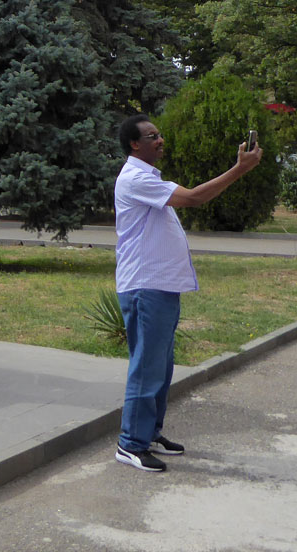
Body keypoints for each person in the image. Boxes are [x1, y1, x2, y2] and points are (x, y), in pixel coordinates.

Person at [113, 114, 262, 472]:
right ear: (135, 144)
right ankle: (130, 444)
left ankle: (148, 434)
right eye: (152, 136)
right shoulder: (135, 178)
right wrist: (239, 170)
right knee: (146, 369)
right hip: (144, 287)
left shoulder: (149, 178)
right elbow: (194, 198)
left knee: (160, 368)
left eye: (160, 134)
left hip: (161, 287)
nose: (160, 140)